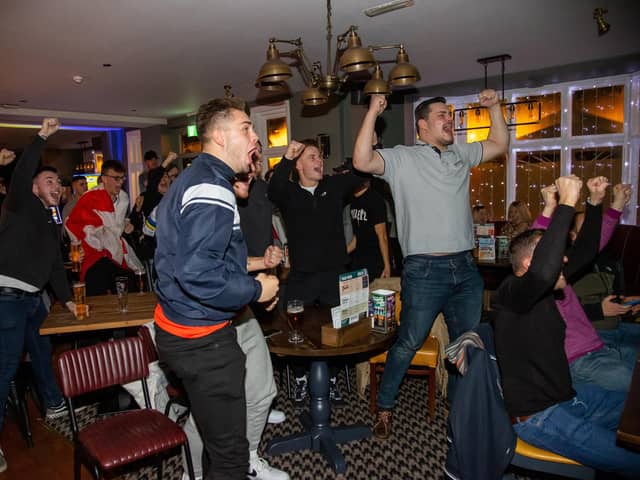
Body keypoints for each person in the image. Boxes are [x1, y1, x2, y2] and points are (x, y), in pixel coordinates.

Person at [352, 90, 509, 438]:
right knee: (408, 342)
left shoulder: (461, 153)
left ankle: (461, 409)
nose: (449, 119)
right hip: (424, 271)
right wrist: (373, 112)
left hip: (466, 270)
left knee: (465, 344)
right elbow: (362, 160)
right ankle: (385, 408)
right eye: (441, 114)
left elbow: (499, 143)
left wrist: (495, 107)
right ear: (422, 125)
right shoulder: (402, 157)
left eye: (449, 114)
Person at [153, 97, 279, 480]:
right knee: (230, 457)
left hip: (180, 332)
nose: (256, 138)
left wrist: (253, 275)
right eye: (247, 129)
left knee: (216, 440)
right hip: (202, 341)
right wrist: (257, 291)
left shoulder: (197, 178)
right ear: (220, 137)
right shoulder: (212, 185)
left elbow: (194, 259)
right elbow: (198, 273)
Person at [493, 174, 640, 476]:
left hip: (570, 397)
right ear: (528, 265)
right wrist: (565, 205)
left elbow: (586, 250)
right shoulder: (509, 294)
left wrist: (595, 203)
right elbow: (543, 270)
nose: (563, 259)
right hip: (539, 419)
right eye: (554, 255)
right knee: (631, 460)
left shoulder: (549, 287)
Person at [0, 119, 77, 473]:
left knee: (43, 350)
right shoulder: (20, 205)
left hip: (31, 301)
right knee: (5, 368)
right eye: (49, 181)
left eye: (59, 182)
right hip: (7, 300)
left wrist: (68, 299)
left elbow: (55, 268)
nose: (57, 186)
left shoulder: (51, 219)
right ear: (31, 188)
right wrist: (42, 137)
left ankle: (53, 404)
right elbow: (21, 174)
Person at [267, 138, 363, 403]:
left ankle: (331, 380)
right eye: (311, 157)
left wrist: (368, 144)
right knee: (297, 332)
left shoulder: (333, 186)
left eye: (320, 157)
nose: (319, 161)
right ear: (298, 165)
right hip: (302, 277)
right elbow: (273, 187)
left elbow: (360, 174)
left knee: (335, 331)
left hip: (334, 275)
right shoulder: (288, 193)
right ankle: (300, 380)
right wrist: (287, 156)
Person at [531, 180, 637, 392]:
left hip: (598, 346)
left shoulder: (567, 267)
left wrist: (600, 201)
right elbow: (534, 248)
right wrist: (550, 207)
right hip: (580, 359)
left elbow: (592, 244)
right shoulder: (535, 282)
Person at [232, 172, 289, 480]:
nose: (253, 164)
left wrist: (264, 261)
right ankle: (195, 472)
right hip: (206, 316)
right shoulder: (207, 197)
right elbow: (208, 266)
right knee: (217, 406)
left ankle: (250, 457)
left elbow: (233, 259)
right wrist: (257, 282)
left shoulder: (258, 191)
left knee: (263, 388)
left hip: (238, 304)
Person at [65, 160, 143, 295]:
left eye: (122, 178)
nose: (120, 182)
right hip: (94, 255)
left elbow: (115, 226)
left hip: (114, 254)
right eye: (116, 178)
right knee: (100, 294)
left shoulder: (123, 198)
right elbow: (72, 224)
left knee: (129, 286)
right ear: (104, 179)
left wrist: (125, 224)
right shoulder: (92, 197)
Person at [349, 177, 391, 280]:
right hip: (359, 259)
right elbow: (357, 236)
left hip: (375, 260)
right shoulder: (353, 200)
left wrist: (387, 265)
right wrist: (340, 255)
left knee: (375, 295)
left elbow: (382, 236)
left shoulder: (374, 199)